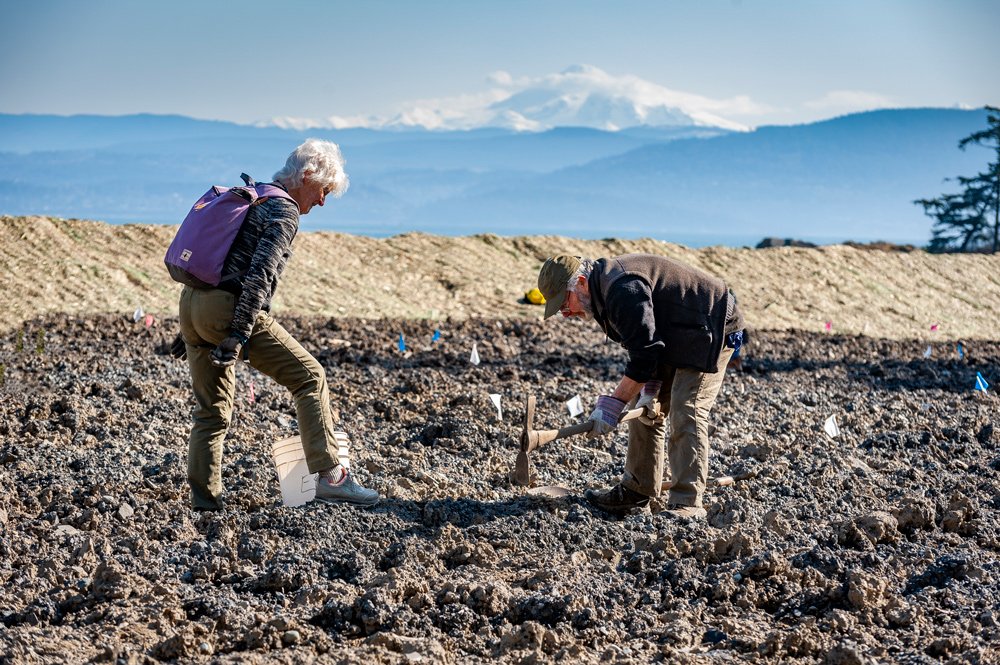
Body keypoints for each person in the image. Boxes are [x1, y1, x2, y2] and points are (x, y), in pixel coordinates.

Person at [173, 139, 379, 511]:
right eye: (324, 190)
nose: (322, 201)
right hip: (227, 311)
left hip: (191, 305)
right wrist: (238, 333)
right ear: (307, 175)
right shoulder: (283, 210)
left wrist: (191, 328)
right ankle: (332, 478)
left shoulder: (256, 196)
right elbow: (260, 275)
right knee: (310, 377)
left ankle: (204, 502)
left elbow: (219, 260)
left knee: (211, 413)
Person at [537, 253, 745, 519]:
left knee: (686, 407)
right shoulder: (599, 295)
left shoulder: (623, 288)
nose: (566, 313)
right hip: (678, 333)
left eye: (564, 303)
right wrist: (650, 387)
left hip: (713, 323)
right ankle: (637, 492)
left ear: (580, 283)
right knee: (645, 407)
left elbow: (644, 355)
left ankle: (687, 502)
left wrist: (612, 405)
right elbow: (644, 343)